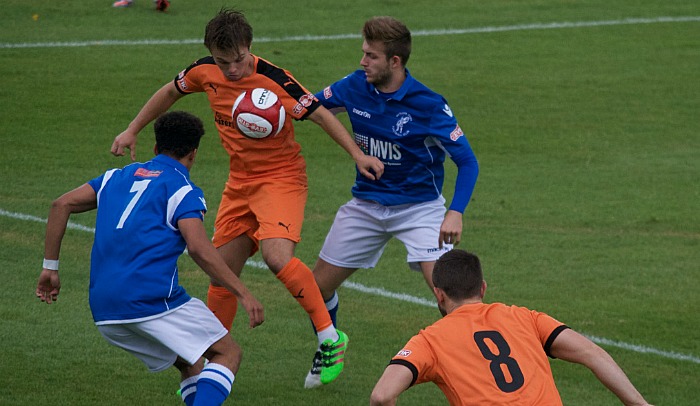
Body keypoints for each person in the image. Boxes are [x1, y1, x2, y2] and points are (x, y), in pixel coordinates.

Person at [110, 8, 384, 387]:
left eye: (238, 60)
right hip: (240, 183)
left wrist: (358, 155)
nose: (231, 70)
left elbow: (321, 115)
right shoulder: (203, 72)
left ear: (249, 48)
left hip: (281, 179)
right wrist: (131, 129)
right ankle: (213, 358)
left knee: (276, 257)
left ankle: (329, 337)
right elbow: (170, 91)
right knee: (220, 272)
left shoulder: (275, 81)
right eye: (223, 62)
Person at [35, 111, 264, 406]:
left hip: (105, 310)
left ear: (155, 148)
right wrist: (243, 293)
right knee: (227, 353)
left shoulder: (114, 177)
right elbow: (198, 248)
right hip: (151, 301)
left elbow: (60, 204)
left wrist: (50, 268)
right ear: (193, 154)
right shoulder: (183, 190)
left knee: (190, 362)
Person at [304, 16, 479, 388]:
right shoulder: (354, 85)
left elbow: (467, 162)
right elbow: (311, 108)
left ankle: (471, 371)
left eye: (371, 56)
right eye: (363, 54)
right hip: (366, 206)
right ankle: (331, 342)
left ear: (394, 62)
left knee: (447, 296)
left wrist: (455, 212)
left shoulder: (428, 105)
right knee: (315, 289)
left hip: (420, 210)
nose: (363, 61)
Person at [369, 249, 653, 406]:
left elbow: (382, 396)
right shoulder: (525, 318)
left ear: (439, 294)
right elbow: (593, 354)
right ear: (482, 287)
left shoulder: (429, 341)